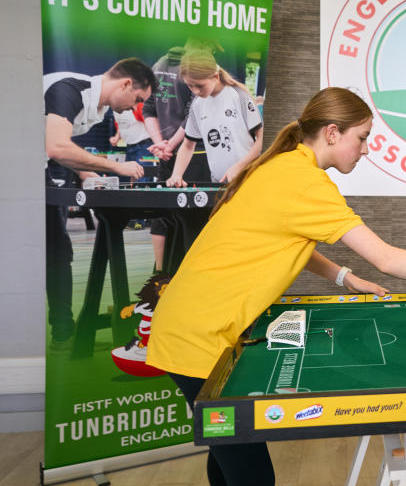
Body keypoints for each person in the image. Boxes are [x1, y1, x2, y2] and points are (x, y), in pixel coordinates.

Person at [146, 87, 406, 486]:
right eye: (362, 138)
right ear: (332, 132)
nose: (365, 150)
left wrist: (344, 278)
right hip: (199, 337)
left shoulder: (281, 167)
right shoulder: (306, 181)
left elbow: (285, 236)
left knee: (228, 441)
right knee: (254, 481)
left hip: (187, 325)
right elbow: (386, 258)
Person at [44, 58, 157, 348]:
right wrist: (114, 167)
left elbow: (60, 146)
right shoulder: (68, 89)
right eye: (137, 100)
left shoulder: (98, 108)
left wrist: (86, 172)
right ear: (126, 84)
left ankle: (63, 332)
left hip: (40, 166)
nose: (134, 109)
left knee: (57, 249)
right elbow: (56, 145)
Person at [142, 43, 213, 269]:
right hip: (193, 155)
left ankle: (159, 277)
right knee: (196, 217)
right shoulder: (194, 71)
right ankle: (188, 276)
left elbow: (148, 109)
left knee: (162, 215)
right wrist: (171, 146)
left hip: (166, 153)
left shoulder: (158, 65)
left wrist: (160, 144)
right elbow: (193, 117)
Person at [166, 50, 263, 187]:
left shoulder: (239, 96)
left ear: (216, 77)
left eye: (200, 86)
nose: (195, 91)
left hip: (248, 179)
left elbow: (263, 139)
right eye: (190, 86)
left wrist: (240, 166)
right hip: (218, 185)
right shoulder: (197, 105)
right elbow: (188, 145)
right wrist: (176, 174)